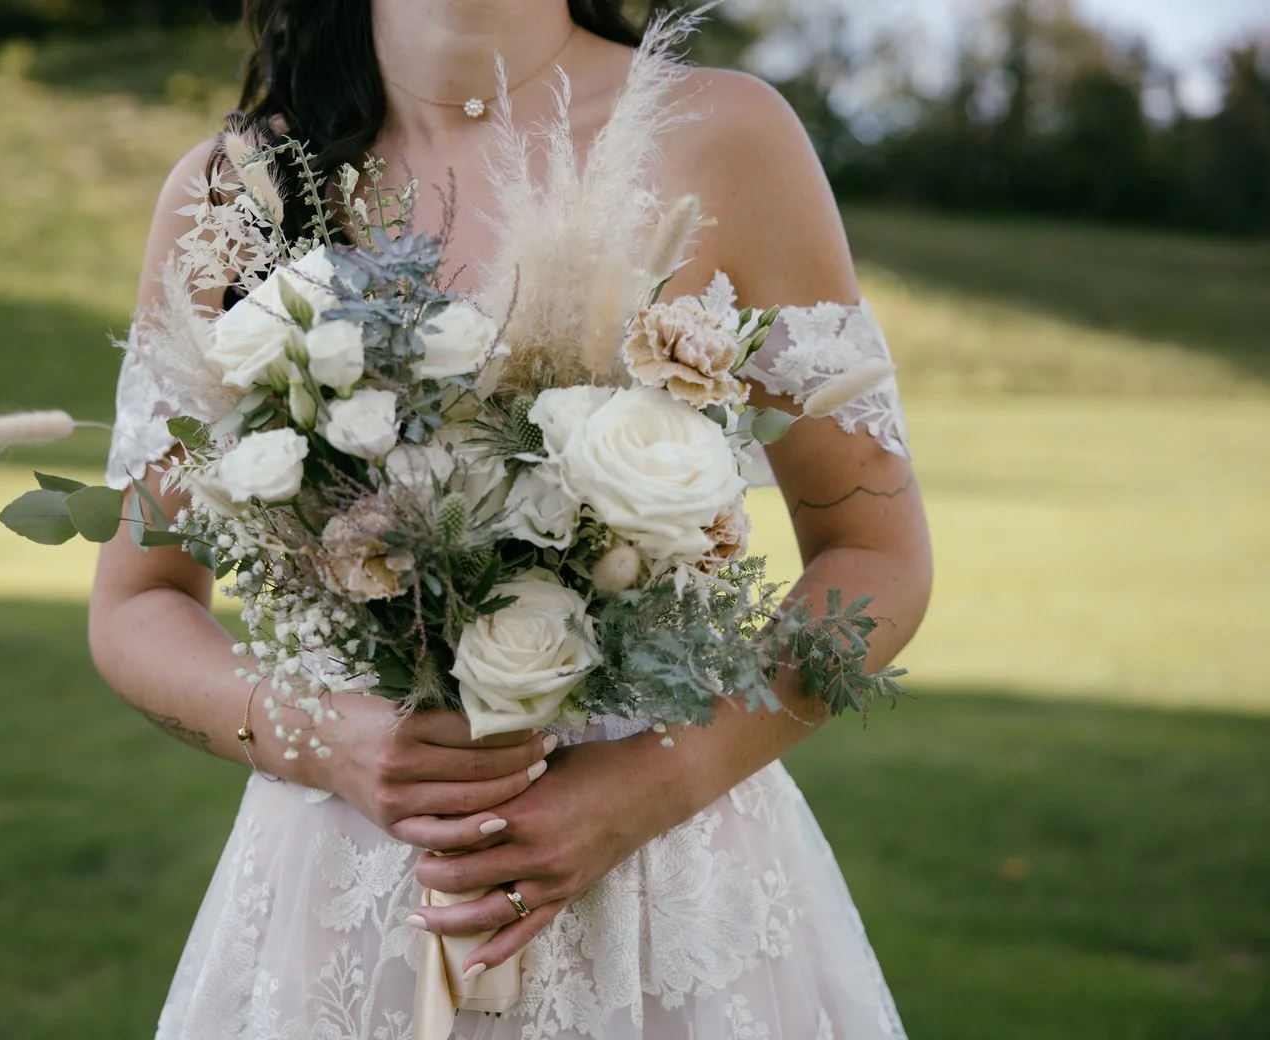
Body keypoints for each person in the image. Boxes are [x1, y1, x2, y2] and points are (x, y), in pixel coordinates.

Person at [90, 2, 932, 1037]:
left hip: (664, 888)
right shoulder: (234, 191)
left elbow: (876, 552)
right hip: (346, 890)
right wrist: (326, 740)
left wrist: (650, 783)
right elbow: (136, 602)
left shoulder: (726, 134)